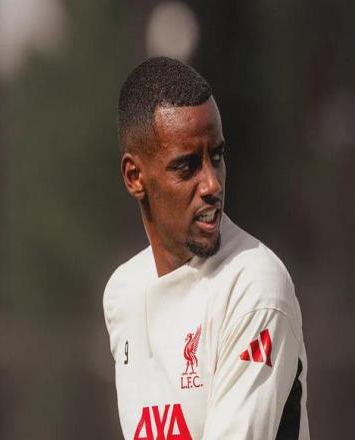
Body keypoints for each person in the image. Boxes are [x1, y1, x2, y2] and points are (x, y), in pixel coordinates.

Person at [103, 57, 309, 440]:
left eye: (216, 156)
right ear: (135, 177)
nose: (212, 184)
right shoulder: (122, 292)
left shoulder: (254, 286)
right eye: (187, 166)